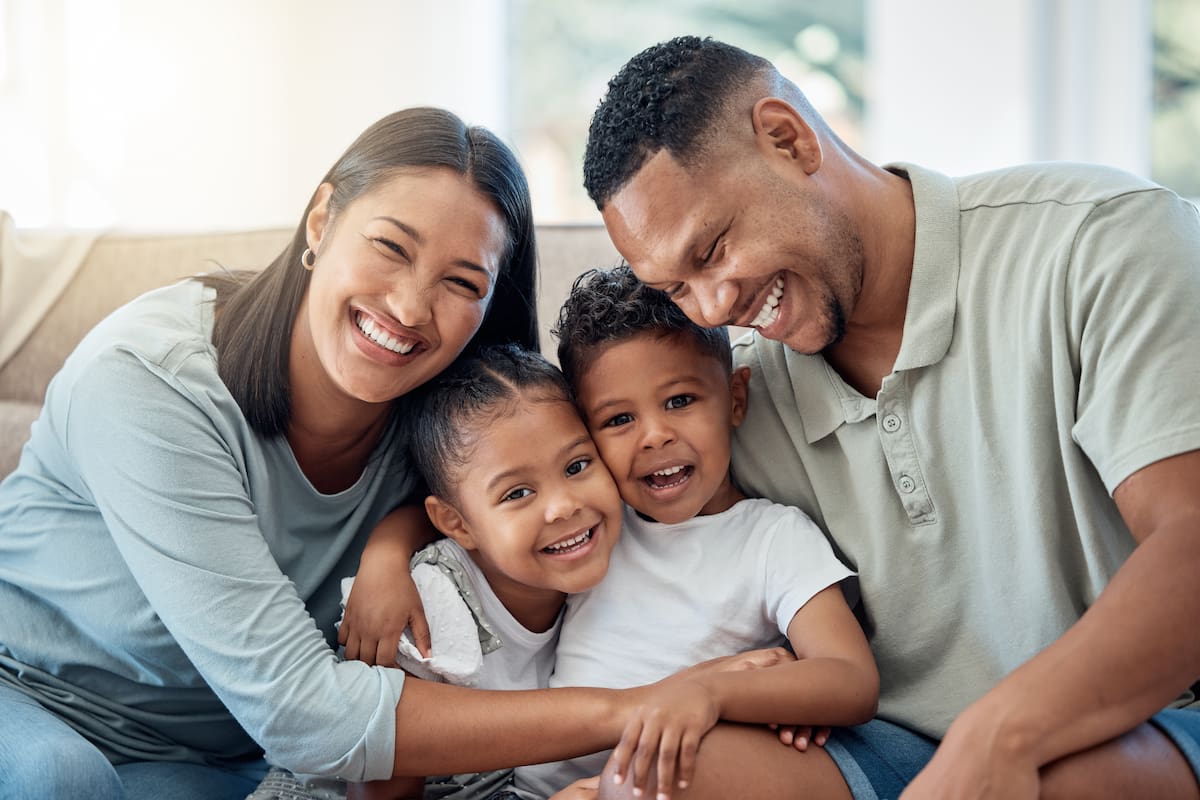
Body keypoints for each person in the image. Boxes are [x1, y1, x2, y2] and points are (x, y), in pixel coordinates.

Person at [582, 35, 1200, 799]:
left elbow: (1192, 540)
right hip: (892, 751)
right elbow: (554, 492)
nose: (713, 307)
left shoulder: (1098, 239)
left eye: (711, 249)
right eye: (677, 287)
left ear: (789, 138)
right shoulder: (733, 402)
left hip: (1145, 722)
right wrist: (394, 549)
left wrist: (999, 736)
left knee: (1062, 784)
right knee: (661, 779)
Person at [0, 107, 629, 800]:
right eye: (391, 246)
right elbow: (302, 713)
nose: (411, 307)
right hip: (29, 694)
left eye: (462, 283)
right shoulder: (148, 381)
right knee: (61, 780)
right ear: (323, 218)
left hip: (214, 756)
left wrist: (393, 541)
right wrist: (637, 711)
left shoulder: (446, 422)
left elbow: (516, 502)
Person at [512, 265, 877, 800]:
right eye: (617, 420)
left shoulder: (772, 538)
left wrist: (710, 690)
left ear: (734, 398)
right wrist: (390, 548)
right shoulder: (590, 524)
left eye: (679, 401)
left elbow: (851, 679)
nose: (656, 435)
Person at [341, 344, 623, 800]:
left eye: (576, 466)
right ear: (457, 524)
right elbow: (378, 788)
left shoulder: (613, 547)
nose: (565, 505)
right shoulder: (432, 611)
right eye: (517, 493)